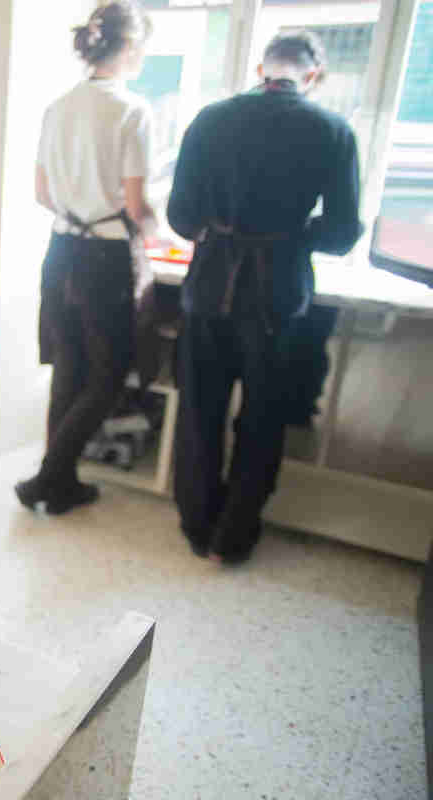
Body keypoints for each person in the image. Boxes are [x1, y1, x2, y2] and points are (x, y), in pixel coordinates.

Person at [166, 31, 362, 564]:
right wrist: (296, 235)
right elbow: (344, 232)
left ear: (260, 69)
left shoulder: (210, 119)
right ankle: (235, 535)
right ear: (313, 74)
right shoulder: (333, 130)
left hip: (210, 284)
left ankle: (196, 524)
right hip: (279, 288)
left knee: (200, 407)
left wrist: (222, 229)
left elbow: (181, 217)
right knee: (264, 415)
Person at [15, 1, 157, 514]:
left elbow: (40, 192)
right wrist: (151, 224)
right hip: (104, 258)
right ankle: (49, 477)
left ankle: (60, 481)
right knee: (110, 373)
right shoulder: (132, 110)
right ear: (133, 47)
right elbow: (137, 206)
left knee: (68, 368)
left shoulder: (59, 106)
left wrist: (78, 211)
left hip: (61, 249)